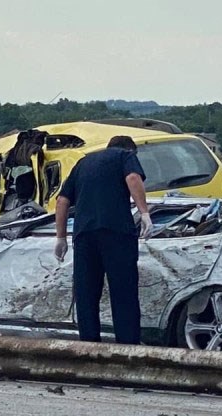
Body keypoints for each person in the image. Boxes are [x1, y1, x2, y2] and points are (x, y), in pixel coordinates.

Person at [54, 135, 152, 345]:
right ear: (131, 150)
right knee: (123, 291)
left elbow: (62, 201)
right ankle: (127, 347)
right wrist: (144, 213)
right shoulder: (125, 156)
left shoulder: (83, 163)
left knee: (86, 294)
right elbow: (133, 178)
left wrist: (61, 238)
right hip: (116, 231)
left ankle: (89, 347)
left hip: (84, 236)